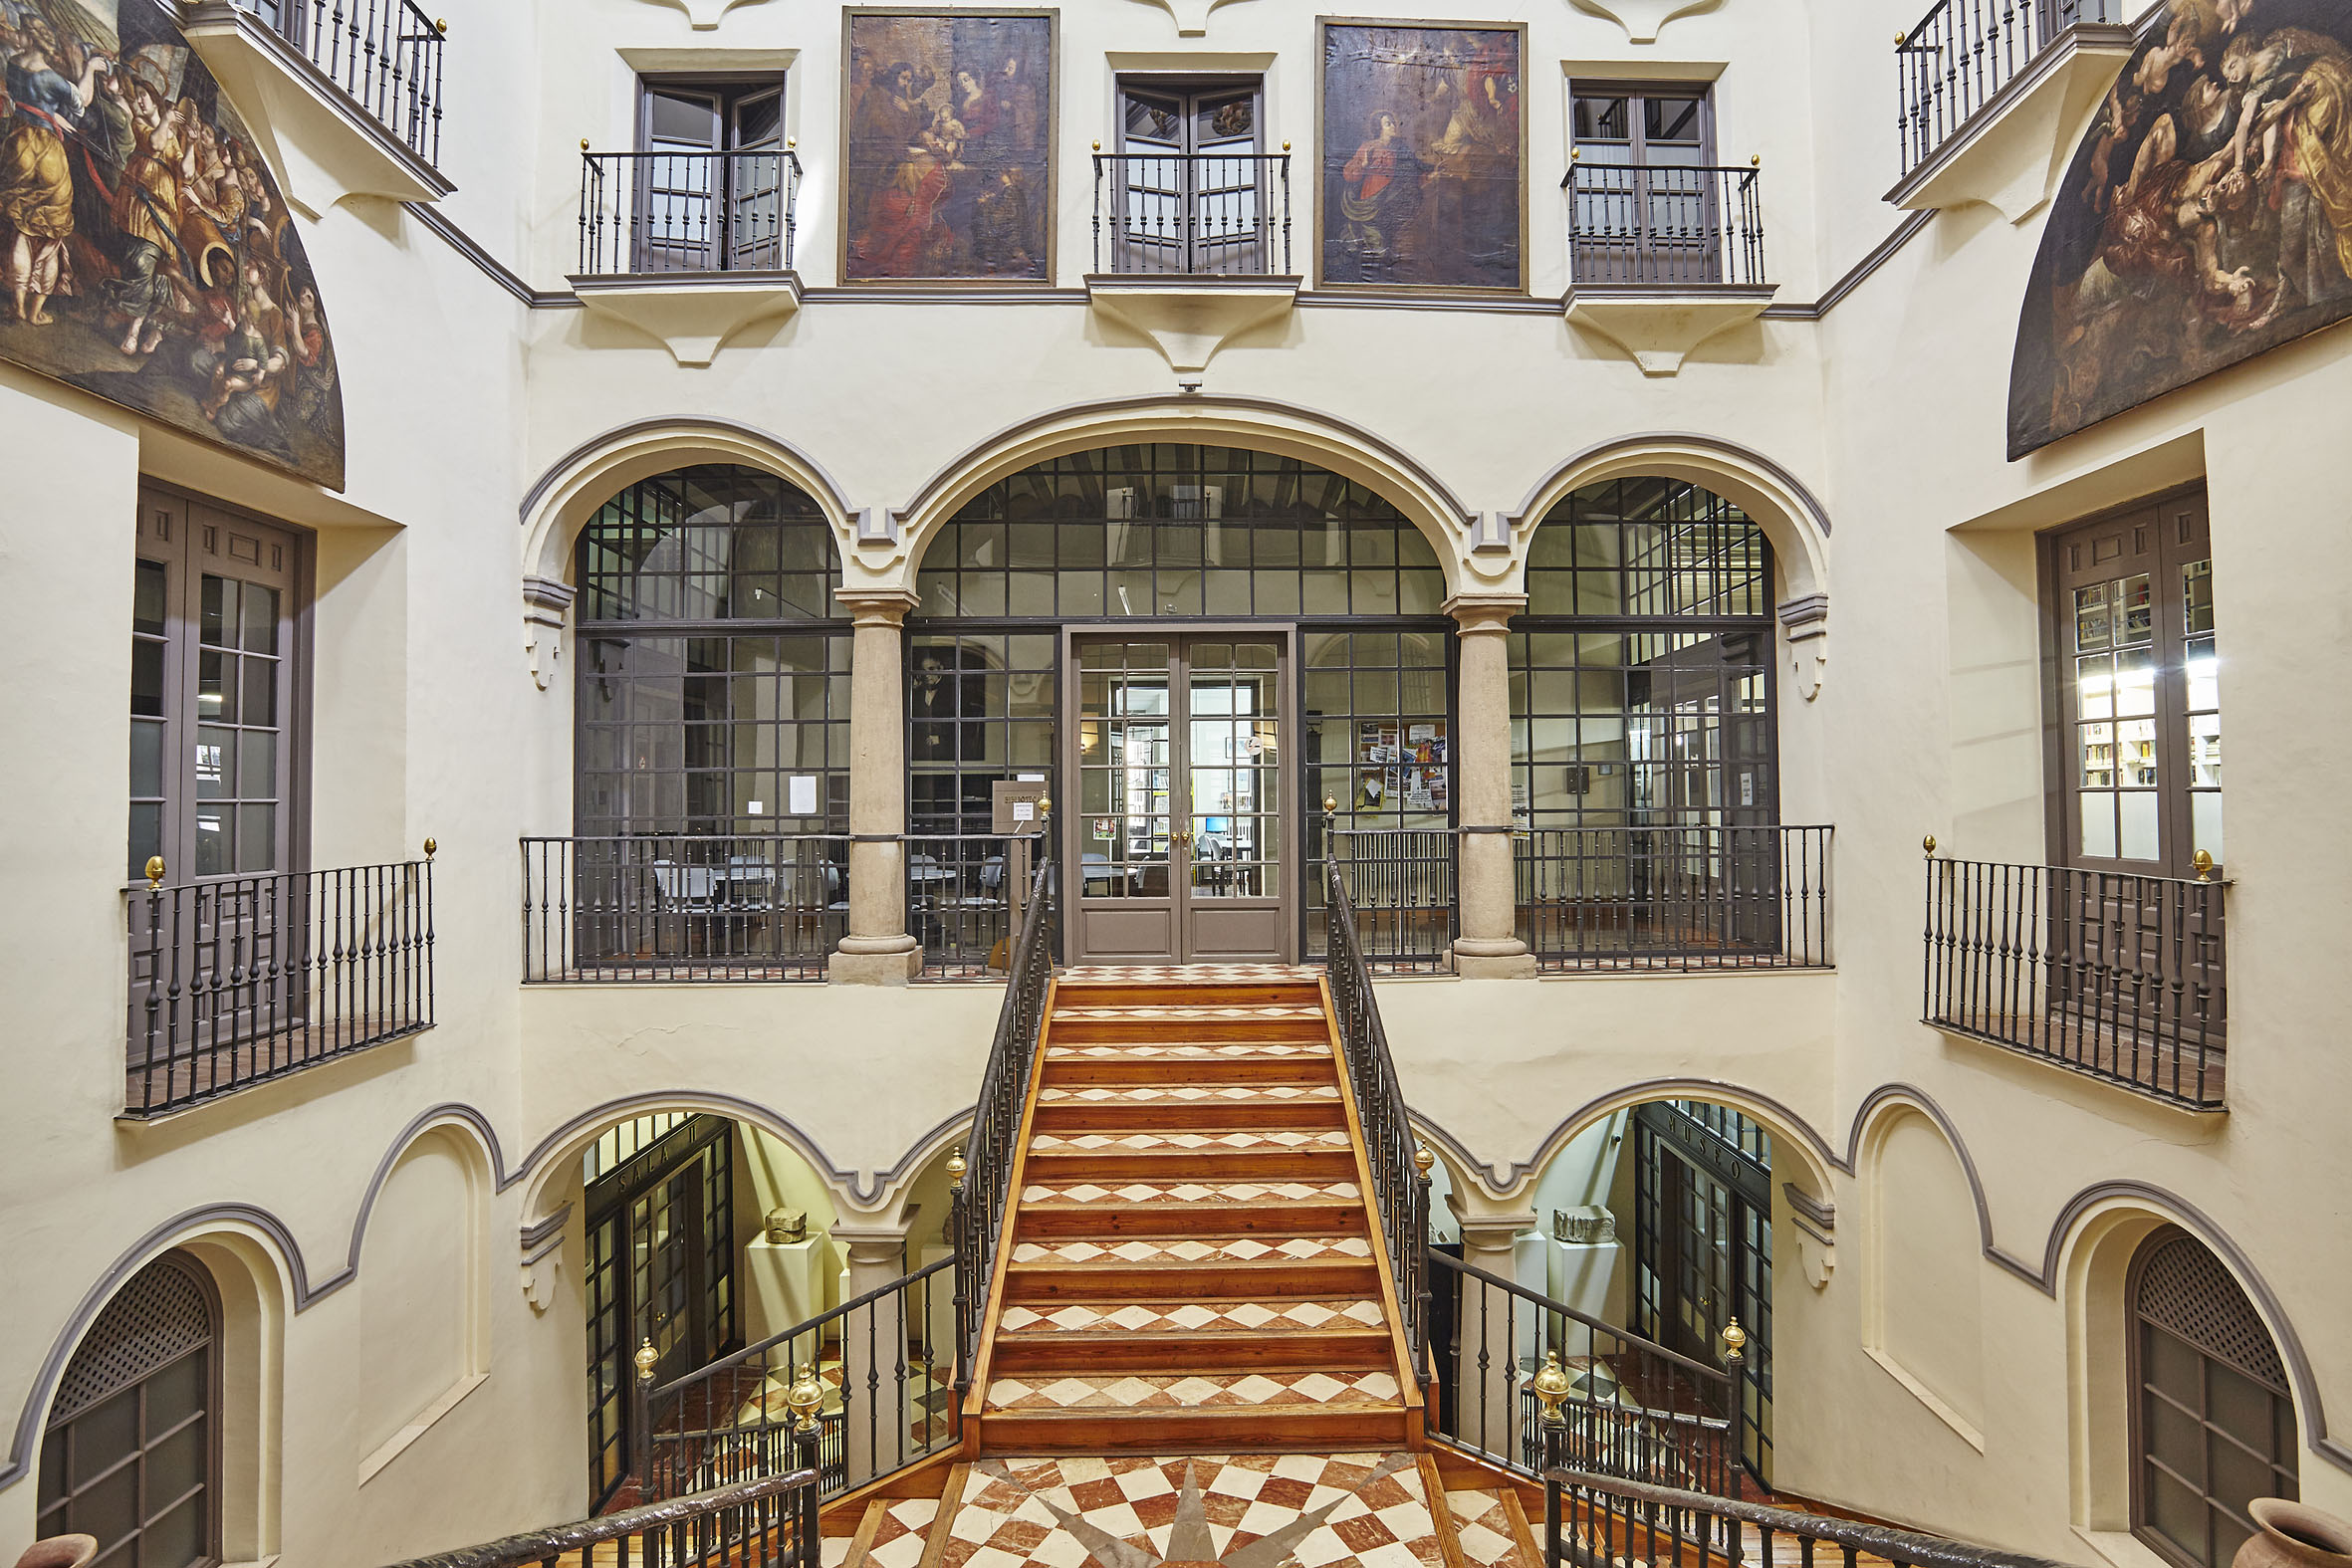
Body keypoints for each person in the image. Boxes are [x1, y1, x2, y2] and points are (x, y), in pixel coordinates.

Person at [0, 15, 109, 325]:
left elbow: (32, 107)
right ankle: (35, 312)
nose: (17, 37)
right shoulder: (50, 78)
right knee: (52, 233)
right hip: (46, 151)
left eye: (21, 33)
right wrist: (90, 69)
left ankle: (17, 304)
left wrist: (50, 115)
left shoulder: (14, 64)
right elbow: (82, 102)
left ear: (28, 38)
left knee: (22, 226)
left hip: (17, 142)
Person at [1338, 111, 1424, 280]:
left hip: (1392, 203)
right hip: (1370, 202)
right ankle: (1370, 282)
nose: (1393, 126)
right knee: (1375, 244)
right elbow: (1349, 174)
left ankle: (1386, 281)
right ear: (1379, 128)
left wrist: (1432, 172)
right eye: (1388, 123)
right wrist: (1362, 164)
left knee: (1391, 244)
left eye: (1393, 122)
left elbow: (1414, 168)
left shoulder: (1400, 148)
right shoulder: (1368, 146)